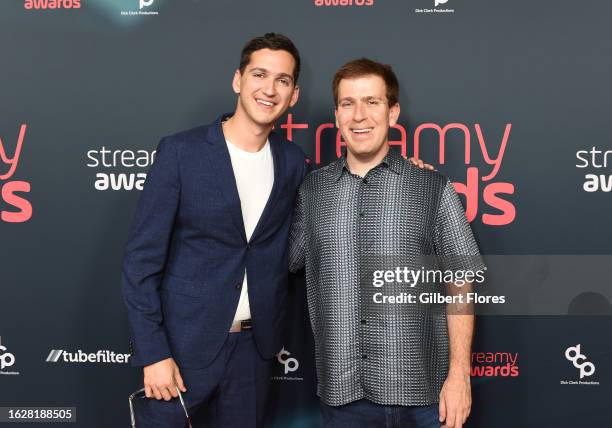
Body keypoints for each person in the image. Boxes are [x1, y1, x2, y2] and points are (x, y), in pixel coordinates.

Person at [122, 33, 307, 427]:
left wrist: (411, 175)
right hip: (180, 349)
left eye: (282, 80)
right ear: (238, 80)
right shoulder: (180, 152)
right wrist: (154, 354)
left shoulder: (292, 161)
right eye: (259, 75)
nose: (269, 89)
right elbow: (140, 262)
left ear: (293, 95)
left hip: (254, 353)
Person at [289, 58, 485, 428]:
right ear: (336, 115)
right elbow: (281, 260)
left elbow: (462, 281)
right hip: (344, 398)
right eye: (348, 103)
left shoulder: (432, 188)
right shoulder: (312, 190)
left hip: (425, 400)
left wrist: (460, 376)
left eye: (372, 102)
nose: (359, 115)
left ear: (393, 113)